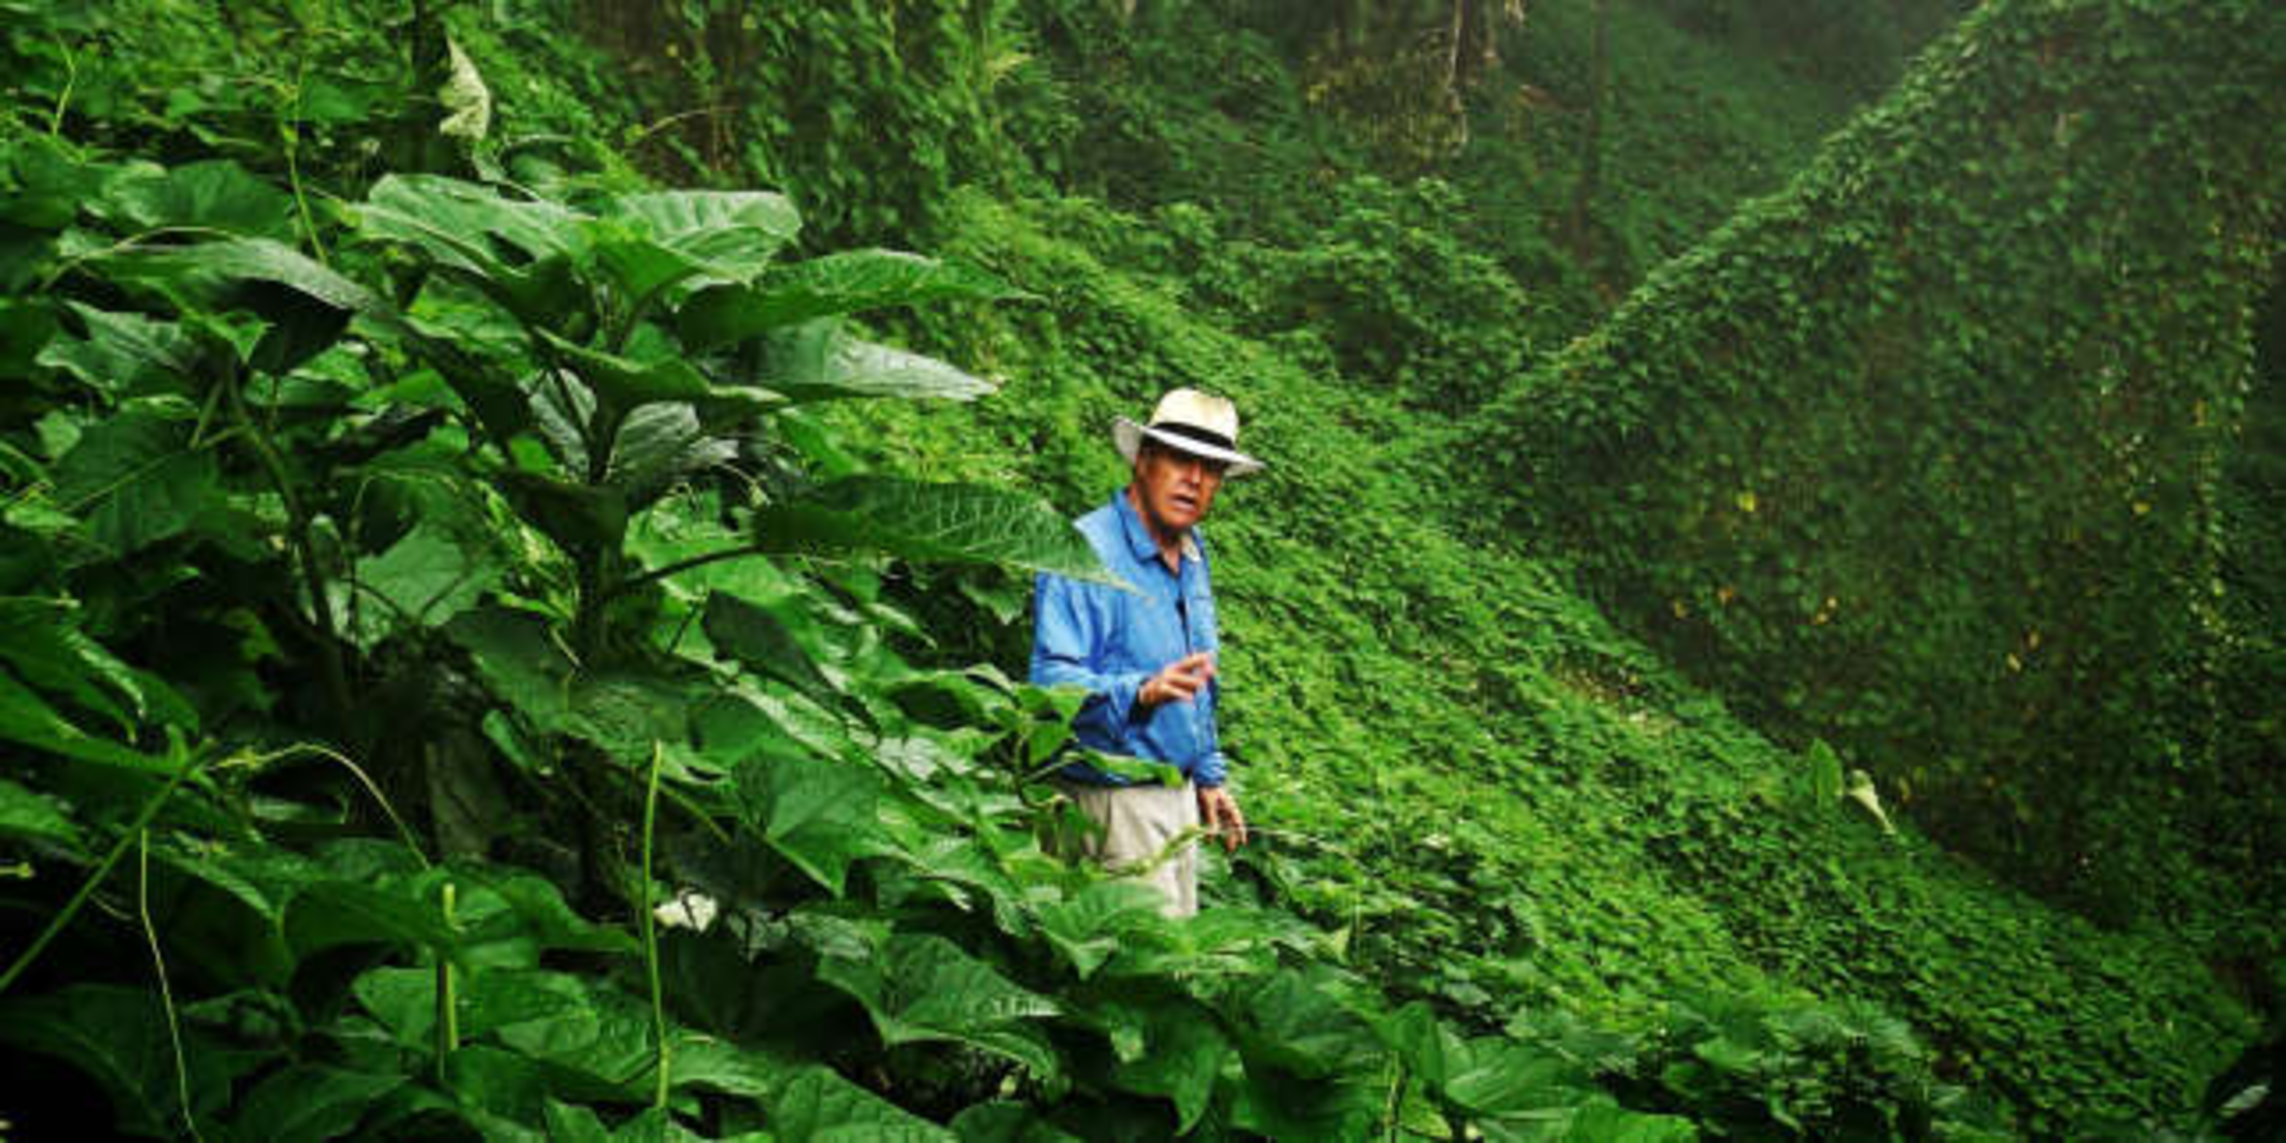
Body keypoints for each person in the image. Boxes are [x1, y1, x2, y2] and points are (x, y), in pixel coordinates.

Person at [1030, 388, 1263, 917]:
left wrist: (1207, 773)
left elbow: (1197, 680)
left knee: (1174, 955)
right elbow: (1049, 685)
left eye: (1212, 468)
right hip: (1111, 802)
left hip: (1175, 796)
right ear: (1144, 459)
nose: (1195, 479)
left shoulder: (1192, 552)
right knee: (1132, 959)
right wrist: (1139, 692)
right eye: (1181, 459)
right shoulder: (1085, 550)